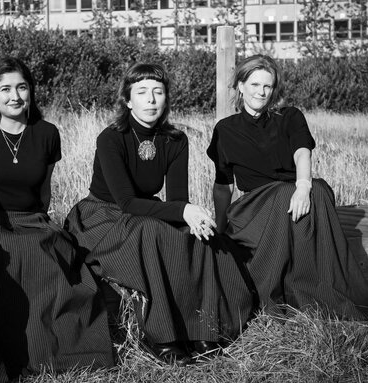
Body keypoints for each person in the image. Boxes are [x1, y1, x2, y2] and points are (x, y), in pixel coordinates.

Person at [63, 63, 255, 366]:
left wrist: (191, 219)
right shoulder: (110, 138)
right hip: (103, 216)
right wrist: (182, 210)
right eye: (142, 92)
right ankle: (162, 336)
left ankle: (203, 328)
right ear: (128, 100)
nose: (151, 99)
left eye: (158, 91)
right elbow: (126, 202)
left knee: (198, 236)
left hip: (148, 211)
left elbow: (177, 199)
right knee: (152, 232)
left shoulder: (175, 140)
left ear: (166, 98)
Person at [0, 57, 114, 380]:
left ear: (31, 91)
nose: (15, 96)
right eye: (6, 89)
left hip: (31, 220)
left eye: (21, 87)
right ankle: (9, 355)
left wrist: (46, 224)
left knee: (55, 261)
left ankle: (55, 353)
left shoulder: (47, 133)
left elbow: (43, 193)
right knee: (14, 256)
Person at [207, 54, 368, 320]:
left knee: (319, 189)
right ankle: (270, 297)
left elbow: (302, 153)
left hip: (293, 194)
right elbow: (223, 185)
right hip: (253, 208)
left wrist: (303, 186)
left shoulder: (289, 117)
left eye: (267, 86)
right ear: (241, 86)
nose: (261, 92)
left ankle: (324, 294)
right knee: (287, 193)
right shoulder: (225, 129)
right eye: (254, 85)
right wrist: (219, 227)